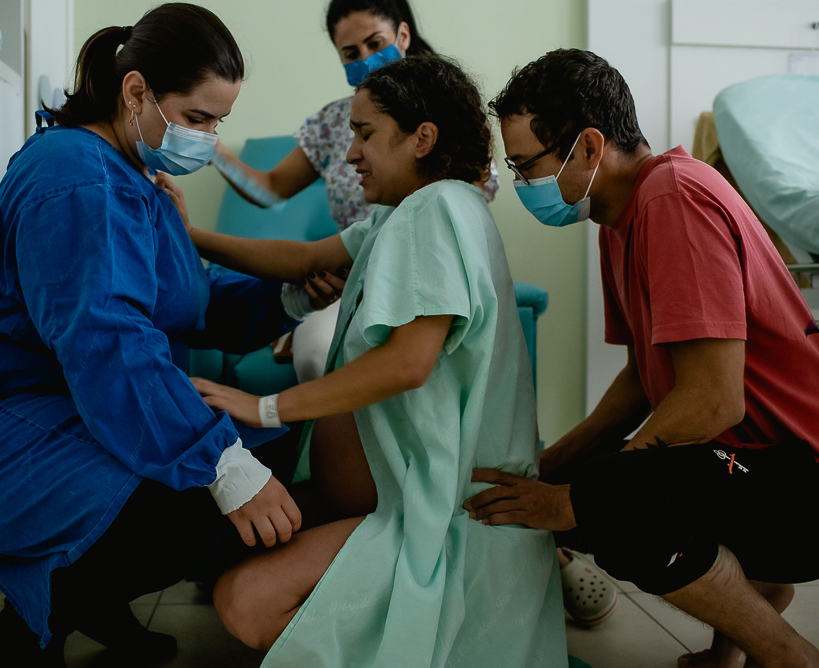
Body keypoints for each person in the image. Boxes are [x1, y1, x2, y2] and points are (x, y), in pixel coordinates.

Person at [0, 4, 340, 666]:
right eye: (197, 118)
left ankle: (95, 602)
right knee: (192, 504)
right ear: (136, 92)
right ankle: (44, 617)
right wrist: (219, 462)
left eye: (219, 122)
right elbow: (107, 340)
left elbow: (188, 300)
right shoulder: (75, 176)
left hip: (69, 408)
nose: (209, 138)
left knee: (254, 459)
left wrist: (289, 297)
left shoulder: (139, 181)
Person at [465, 48, 819, 668]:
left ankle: (787, 653)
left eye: (527, 167)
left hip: (815, 495)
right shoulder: (618, 218)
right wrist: (554, 464)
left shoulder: (672, 199)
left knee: (613, 506)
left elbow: (714, 400)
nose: (522, 186)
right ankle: (737, 630)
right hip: (753, 465)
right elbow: (641, 380)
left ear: (589, 148)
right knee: (591, 486)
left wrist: (592, 494)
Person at [184, 56, 566, 667]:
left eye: (365, 134)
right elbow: (303, 259)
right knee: (221, 549)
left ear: (422, 138)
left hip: (437, 518)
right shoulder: (406, 212)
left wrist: (265, 406)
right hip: (393, 500)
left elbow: (408, 363)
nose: (351, 154)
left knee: (245, 601)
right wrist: (185, 235)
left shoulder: (436, 210)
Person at [211, 0, 498, 384]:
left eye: (375, 43)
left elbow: (467, 203)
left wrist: (266, 409)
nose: (352, 155)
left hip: (427, 280)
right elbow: (294, 233)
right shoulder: (337, 134)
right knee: (316, 357)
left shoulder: (447, 131)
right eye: (350, 52)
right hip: (351, 277)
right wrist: (208, 144)